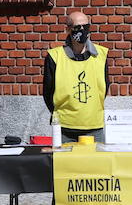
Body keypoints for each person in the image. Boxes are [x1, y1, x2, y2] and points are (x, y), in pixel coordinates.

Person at [43, 11, 110, 142]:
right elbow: (48, 92)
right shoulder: (55, 56)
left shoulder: (101, 55)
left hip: (94, 128)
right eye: (77, 27)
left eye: (86, 26)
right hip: (64, 129)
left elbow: (104, 87)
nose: (83, 30)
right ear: (68, 29)